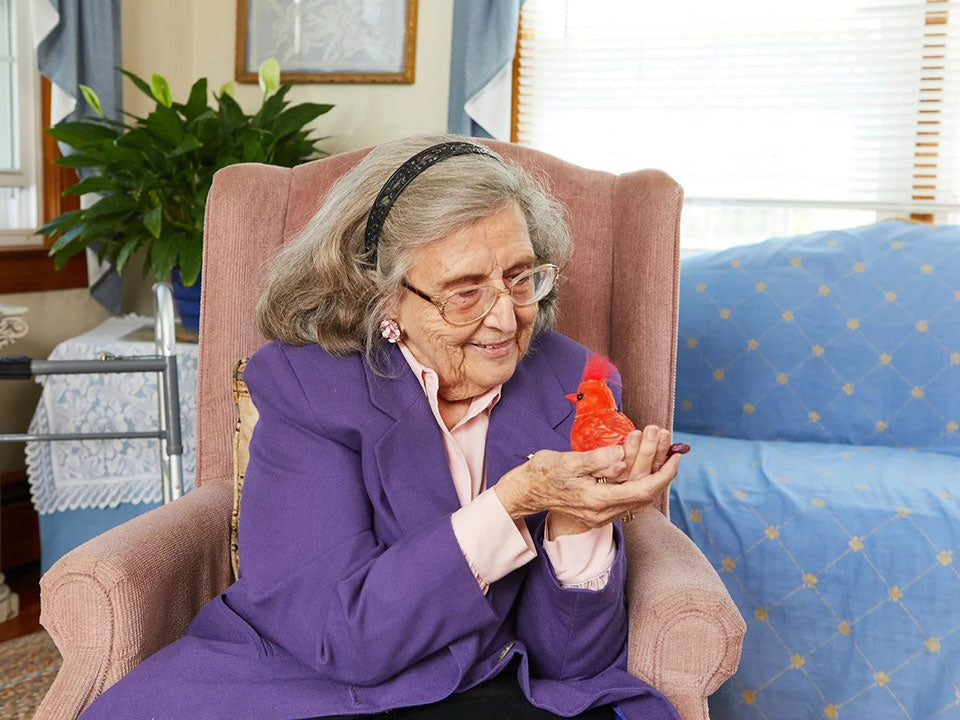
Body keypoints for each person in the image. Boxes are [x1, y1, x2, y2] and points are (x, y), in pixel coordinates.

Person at [77, 133, 683, 720]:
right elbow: (342, 636)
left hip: (491, 688)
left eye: (520, 278)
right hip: (301, 685)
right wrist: (512, 502)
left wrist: (580, 522)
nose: (506, 319)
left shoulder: (573, 381)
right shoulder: (309, 385)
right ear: (384, 295)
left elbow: (573, 662)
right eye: (465, 291)